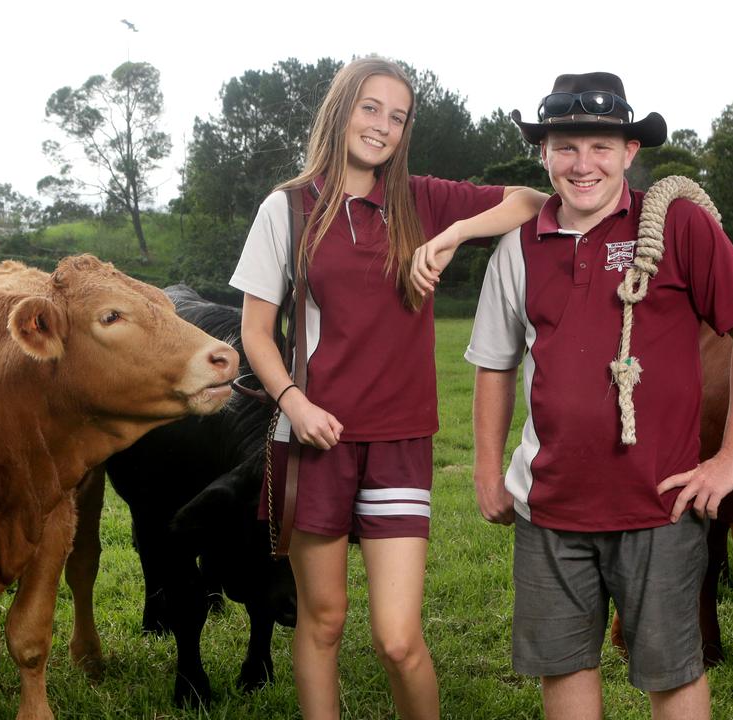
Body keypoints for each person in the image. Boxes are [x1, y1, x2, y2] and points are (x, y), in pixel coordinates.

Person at [231, 56, 547, 720]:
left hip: (401, 442)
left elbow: (532, 203)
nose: (381, 126)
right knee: (322, 622)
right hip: (314, 439)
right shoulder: (286, 209)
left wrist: (455, 234)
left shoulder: (421, 200)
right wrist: (296, 403)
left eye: (397, 117)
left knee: (398, 640)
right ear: (341, 108)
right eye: (370, 108)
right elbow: (257, 333)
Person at [464, 72, 733, 720]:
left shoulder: (678, 226)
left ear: (630, 152)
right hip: (548, 508)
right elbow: (494, 365)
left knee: (673, 674)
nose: (584, 165)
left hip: (658, 507)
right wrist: (485, 469)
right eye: (567, 147)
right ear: (543, 153)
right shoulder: (519, 247)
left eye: (601, 147)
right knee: (565, 668)